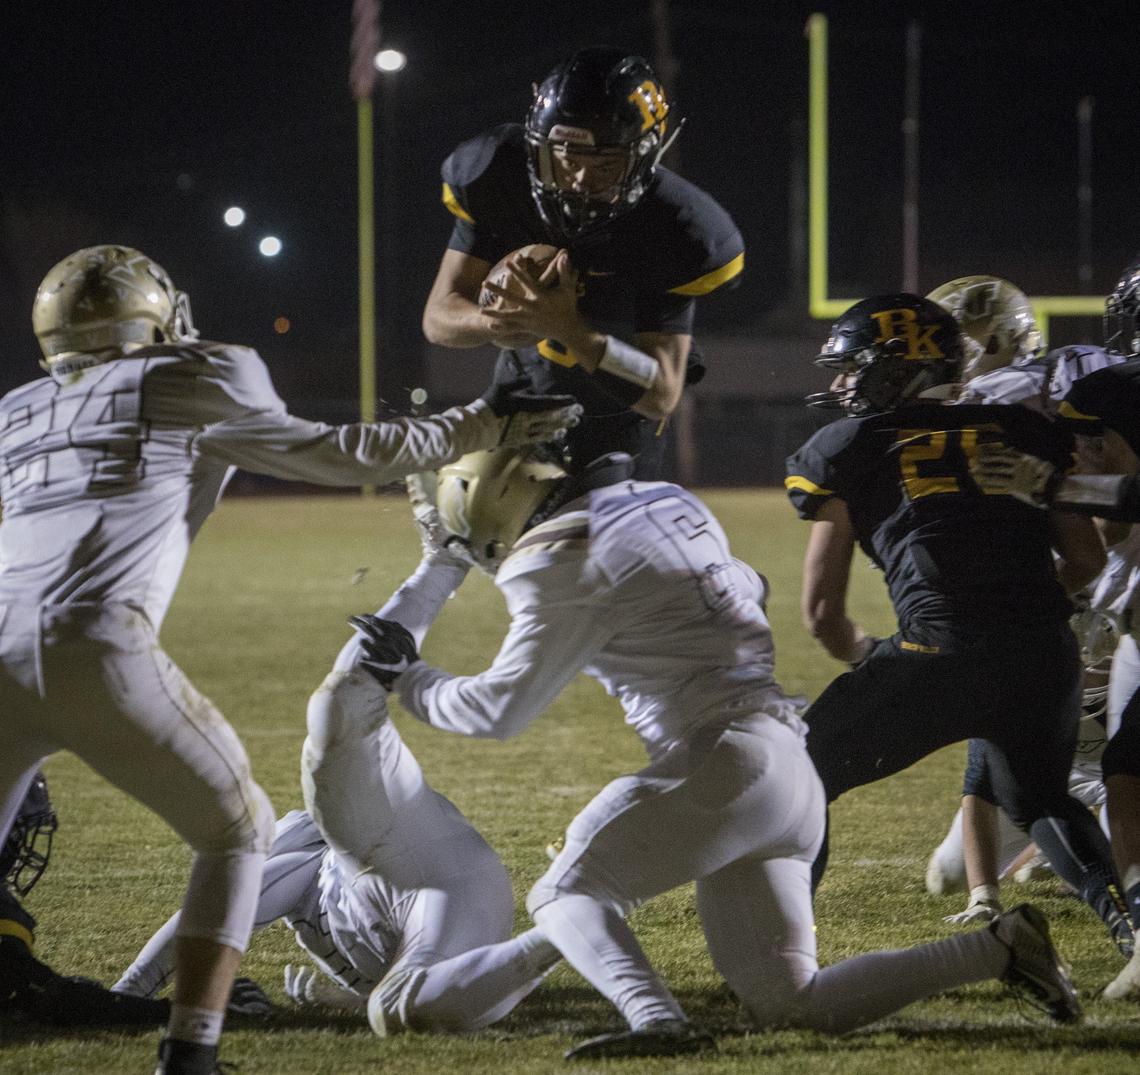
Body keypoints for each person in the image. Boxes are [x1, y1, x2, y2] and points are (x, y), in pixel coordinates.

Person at [0, 244, 579, 1075]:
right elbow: (339, 455)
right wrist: (479, 420)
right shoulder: (200, 370)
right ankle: (189, 1053)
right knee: (237, 833)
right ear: (155, 321)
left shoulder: (19, 407)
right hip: (95, 642)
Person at [349, 445, 1082, 1061]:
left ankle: (655, 1019)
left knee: (565, 891)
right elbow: (747, 584)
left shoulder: (554, 564)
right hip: (789, 768)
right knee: (793, 1001)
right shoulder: (666, 499)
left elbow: (495, 710)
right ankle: (999, 947)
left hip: (721, 759)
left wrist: (406, 676)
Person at [114, 523, 562, 1035]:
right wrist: (126, 997)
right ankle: (446, 558)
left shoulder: (314, 844)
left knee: (341, 706)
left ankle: (566, 926)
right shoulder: (303, 863)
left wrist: (129, 992)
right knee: (395, 1008)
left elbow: (236, 891)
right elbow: (231, 897)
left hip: (442, 876)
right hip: (379, 895)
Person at [785, 293, 1130, 956]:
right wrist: (1025, 613)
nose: (838, 383)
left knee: (800, 773)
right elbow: (1086, 559)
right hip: (1042, 653)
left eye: (853, 366)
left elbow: (822, 614)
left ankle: (784, 945)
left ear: (897, 368)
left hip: (934, 649)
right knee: (1041, 800)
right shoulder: (1021, 429)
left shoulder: (845, 447)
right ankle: (1130, 926)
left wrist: (878, 657)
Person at [422, 45, 744, 479]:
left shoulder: (675, 229)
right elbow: (439, 318)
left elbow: (661, 394)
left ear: (643, 157)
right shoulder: (498, 174)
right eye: (566, 159)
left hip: (615, 424)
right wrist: (496, 322)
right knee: (464, 518)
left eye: (605, 165)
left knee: (585, 538)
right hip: (516, 399)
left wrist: (566, 327)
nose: (578, 179)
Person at [979, 258, 1140, 998]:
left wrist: (1056, 483)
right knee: (1125, 762)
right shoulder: (1103, 388)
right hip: (1125, 609)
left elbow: (1122, 494)